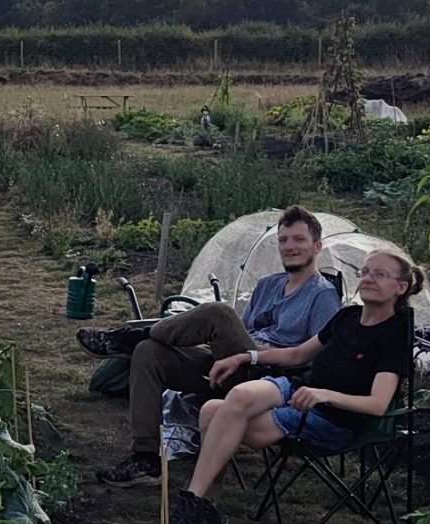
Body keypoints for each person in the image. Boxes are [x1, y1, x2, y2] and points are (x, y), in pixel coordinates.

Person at [167, 246, 425, 524]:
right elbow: (298, 354)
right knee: (225, 402)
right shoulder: (348, 317)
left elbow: (378, 404)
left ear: (401, 287)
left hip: (333, 420)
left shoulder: (394, 335)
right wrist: (244, 358)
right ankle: (201, 507)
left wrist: (325, 395)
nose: (368, 278)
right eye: (364, 272)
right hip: (298, 389)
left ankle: (195, 506)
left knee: (215, 413)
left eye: (379, 274)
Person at [83, 206, 342, 488]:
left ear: (317, 246)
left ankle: (128, 337)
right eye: (283, 240)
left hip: (269, 380)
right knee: (149, 352)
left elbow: (317, 357)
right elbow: (244, 331)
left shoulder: (322, 296)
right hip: (232, 365)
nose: (290, 247)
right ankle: (146, 459)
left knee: (220, 313)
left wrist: (253, 352)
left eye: (299, 240)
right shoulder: (268, 285)